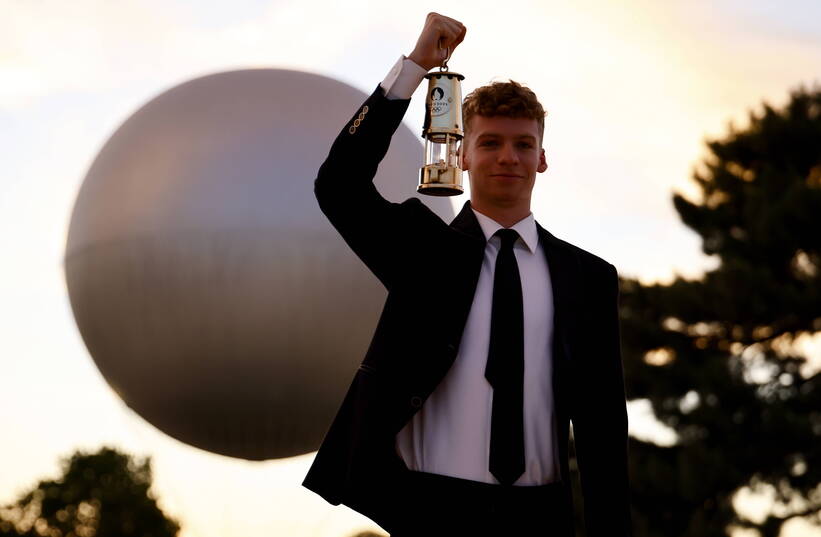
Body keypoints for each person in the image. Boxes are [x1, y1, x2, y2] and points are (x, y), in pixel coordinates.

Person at [302, 12, 632, 537]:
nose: (508, 157)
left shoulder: (587, 277)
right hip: (429, 509)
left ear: (542, 158)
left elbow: (602, 426)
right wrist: (414, 68)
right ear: (461, 153)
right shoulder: (421, 250)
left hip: (541, 518)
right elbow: (338, 185)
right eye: (490, 142)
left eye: (523, 144)